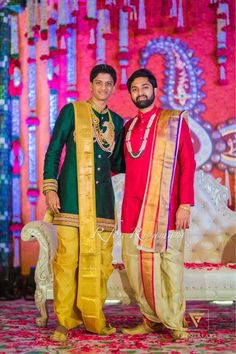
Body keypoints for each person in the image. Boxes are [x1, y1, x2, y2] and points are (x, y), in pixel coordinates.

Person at [43, 64, 124, 341]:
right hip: (71, 200)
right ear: (90, 84)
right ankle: (65, 320)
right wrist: (50, 189)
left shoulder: (117, 121)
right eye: (98, 82)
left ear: (113, 87)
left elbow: (117, 162)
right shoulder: (72, 112)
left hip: (101, 204)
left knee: (100, 262)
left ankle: (93, 317)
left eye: (108, 84)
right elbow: (54, 150)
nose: (103, 88)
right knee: (67, 261)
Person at [121, 68, 196, 340]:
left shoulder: (173, 122)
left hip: (167, 208)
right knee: (135, 265)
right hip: (132, 208)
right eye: (134, 89)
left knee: (169, 267)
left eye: (144, 87)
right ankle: (150, 319)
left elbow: (188, 164)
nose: (140, 92)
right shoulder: (128, 127)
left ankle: (175, 323)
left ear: (154, 89)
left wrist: (185, 204)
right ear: (130, 94)